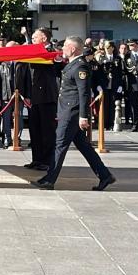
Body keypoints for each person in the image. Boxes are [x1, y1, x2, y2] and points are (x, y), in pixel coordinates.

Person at [32, 36, 116, 191]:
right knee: (84, 147)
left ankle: (49, 179)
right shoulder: (72, 65)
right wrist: (56, 61)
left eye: (65, 46)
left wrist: (84, 116)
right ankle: (105, 175)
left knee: (59, 145)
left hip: (72, 113)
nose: (62, 48)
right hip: (68, 111)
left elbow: (84, 93)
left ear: (72, 49)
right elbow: (61, 76)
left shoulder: (80, 67)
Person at [23, 27, 61, 171]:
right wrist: (27, 94)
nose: (32, 40)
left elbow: (55, 64)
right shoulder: (33, 52)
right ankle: (37, 159)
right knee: (35, 130)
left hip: (46, 96)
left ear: (44, 39)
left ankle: (47, 161)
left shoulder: (51, 52)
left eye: (35, 38)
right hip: (34, 96)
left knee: (47, 131)